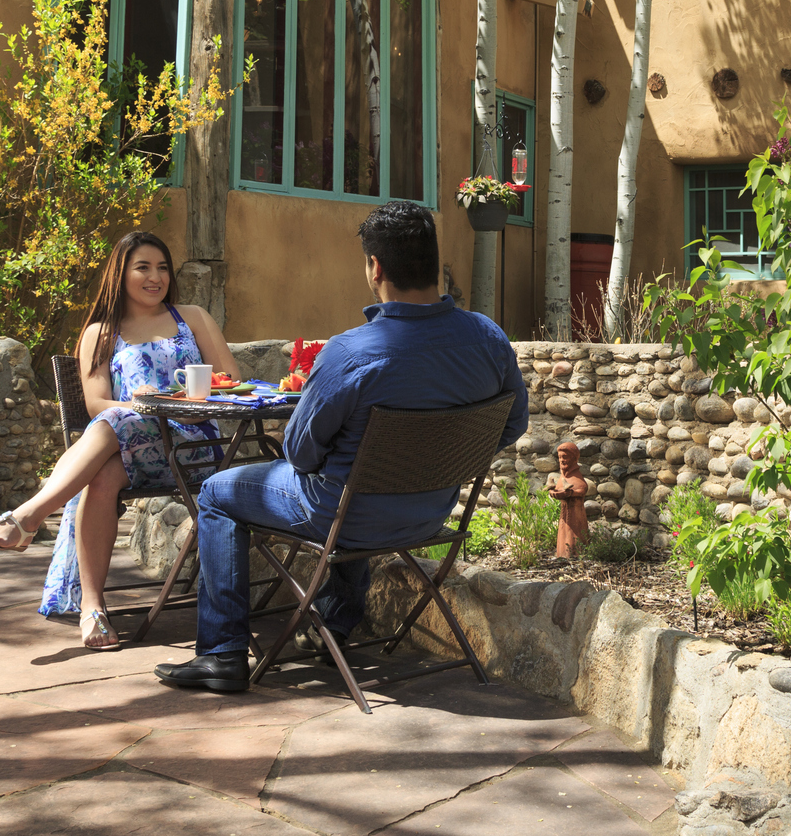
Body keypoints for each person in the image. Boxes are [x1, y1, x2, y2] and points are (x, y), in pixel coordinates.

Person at [156, 201, 528, 693]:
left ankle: (222, 653)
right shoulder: (489, 338)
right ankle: (331, 624)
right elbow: (511, 424)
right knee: (352, 486)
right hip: (431, 513)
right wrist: (435, 462)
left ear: (375, 267)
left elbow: (301, 452)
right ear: (434, 264)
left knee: (218, 492)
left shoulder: (351, 351)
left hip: (347, 515)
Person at [0, 231, 241, 650]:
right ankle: (92, 607)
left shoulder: (193, 317)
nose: (155, 277)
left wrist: (175, 401)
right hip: (132, 441)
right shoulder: (101, 331)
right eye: (143, 267)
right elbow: (95, 404)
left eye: (162, 268)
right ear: (121, 274)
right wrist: (138, 403)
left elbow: (231, 382)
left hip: (191, 445)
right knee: (106, 468)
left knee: (117, 428)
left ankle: (27, 517)